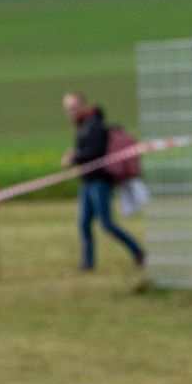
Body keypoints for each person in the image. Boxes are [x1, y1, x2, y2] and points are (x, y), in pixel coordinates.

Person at [61, 94, 145, 271]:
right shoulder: (82, 126)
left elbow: (95, 153)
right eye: (68, 108)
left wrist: (75, 157)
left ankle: (138, 251)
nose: (71, 111)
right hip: (86, 182)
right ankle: (88, 263)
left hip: (99, 182)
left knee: (107, 224)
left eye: (74, 107)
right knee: (84, 224)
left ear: (82, 105)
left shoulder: (95, 126)